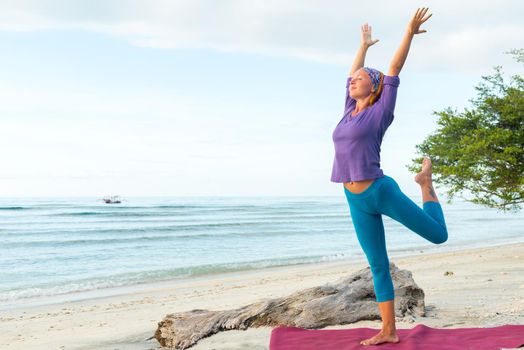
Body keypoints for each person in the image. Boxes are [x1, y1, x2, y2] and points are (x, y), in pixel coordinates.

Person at [330, 8, 448, 346]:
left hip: (380, 191)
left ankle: (426, 185)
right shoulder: (348, 111)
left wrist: (408, 32)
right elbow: (351, 73)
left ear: (375, 86)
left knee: (437, 236)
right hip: (353, 197)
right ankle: (389, 330)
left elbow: (394, 69)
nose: (353, 79)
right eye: (352, 78)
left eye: (360, 77)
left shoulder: (381, 110)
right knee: (377, 264)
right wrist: (364, 46)